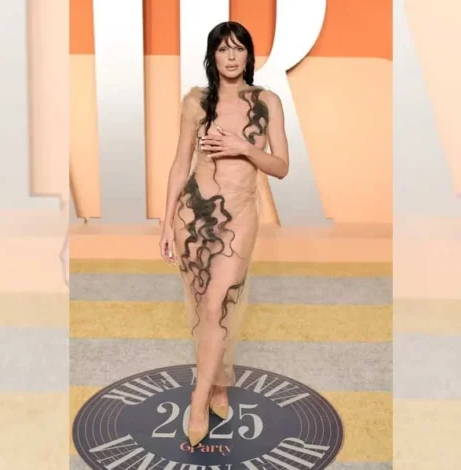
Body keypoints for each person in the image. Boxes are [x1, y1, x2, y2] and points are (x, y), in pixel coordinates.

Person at [158, 21, 289, 447]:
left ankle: (197, 402)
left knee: (217, 303)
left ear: (249, 56)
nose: (231, 57)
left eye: (239, 49)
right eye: (223, 49)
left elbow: (281, 166)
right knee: (207, 310)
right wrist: (166, 221)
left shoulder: (267, 102)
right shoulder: (195, 102)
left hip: (240, 217)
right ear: (212, 56)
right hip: (192, 216)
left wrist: (243, 148)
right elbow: (180, 163)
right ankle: (217, 382)